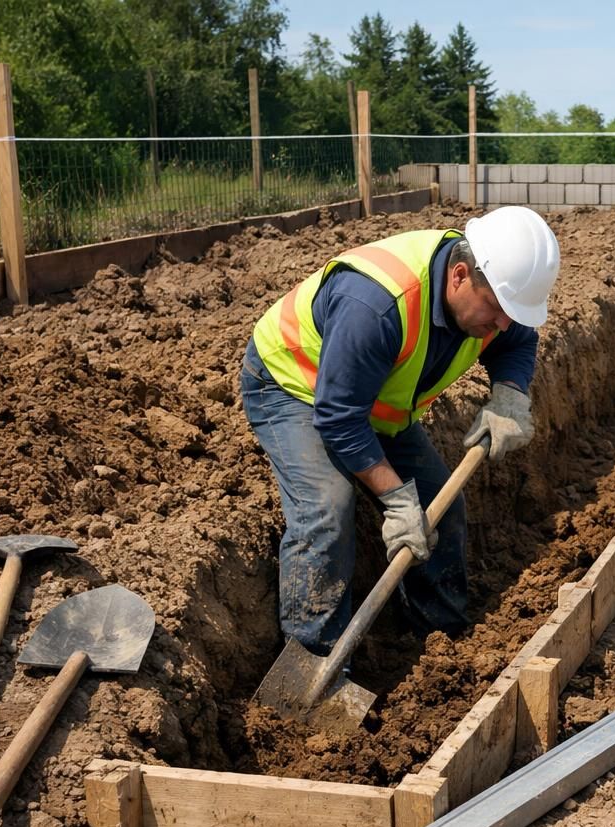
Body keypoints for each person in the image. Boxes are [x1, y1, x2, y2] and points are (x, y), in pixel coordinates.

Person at [240, 206, 561, 656]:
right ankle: (313, 657)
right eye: (497, 310)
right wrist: (395, 498)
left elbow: (518, 341)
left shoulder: (491, 304)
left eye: (511, 312)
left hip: (372, 404)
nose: (503, 324)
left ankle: (440, 642)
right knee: (327, 513)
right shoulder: (375, 306)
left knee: (440, 507)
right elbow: (338, 417)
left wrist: (510, 395)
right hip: (294, 385)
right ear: (460, 275)